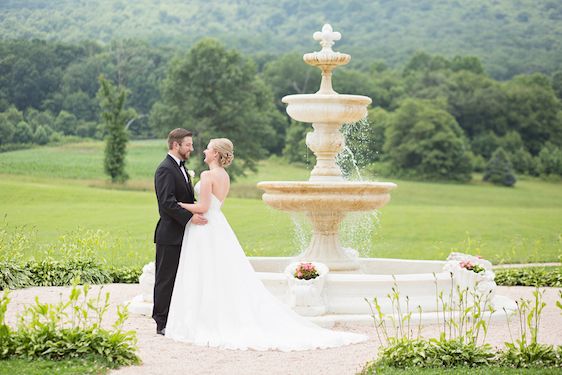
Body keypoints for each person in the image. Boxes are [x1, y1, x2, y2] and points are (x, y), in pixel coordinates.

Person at [165, 138, 367, 351]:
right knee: (219, 272)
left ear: (215, 154)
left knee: (205, 271)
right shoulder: (224, 176)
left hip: (205, 227)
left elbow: (204, 206)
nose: (204, 151)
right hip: (218, 225)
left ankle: (203, 319)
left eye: (208, 148)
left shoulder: (207, 175)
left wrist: (178, 205)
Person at [152, 128, 207, 335]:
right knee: (166, 278)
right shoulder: (165, 169)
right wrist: (190, 217)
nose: (192, 148)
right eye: (188, 145)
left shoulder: (182, 168)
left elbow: (186, 200)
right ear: (176, 145)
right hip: (169, 234)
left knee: (180, 277)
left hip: (184, 233)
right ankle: (161, 322)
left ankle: (176, 318)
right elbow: (167, 203)